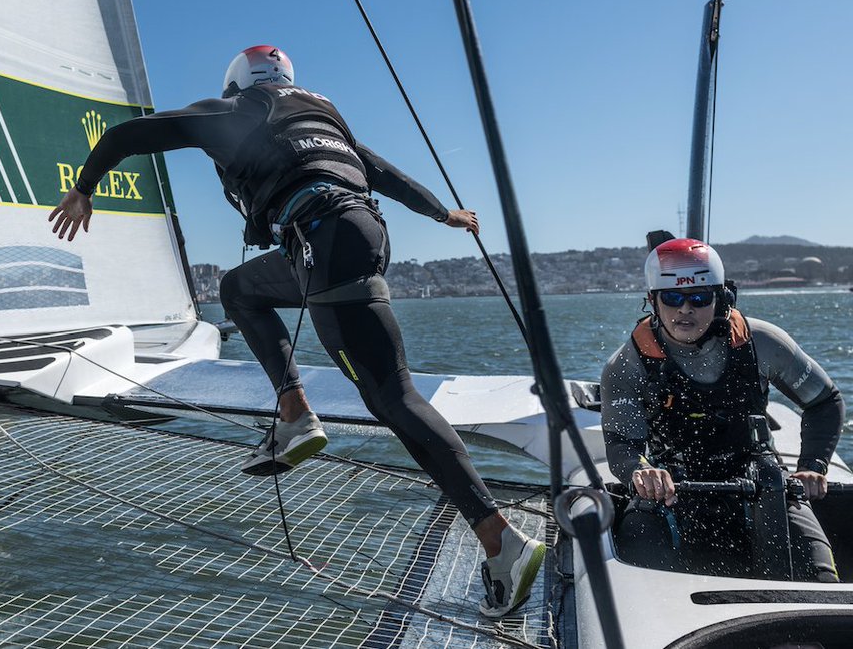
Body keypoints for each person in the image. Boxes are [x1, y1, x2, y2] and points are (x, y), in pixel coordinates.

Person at [48, 45, 545, 617]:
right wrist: (443, 215)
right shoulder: (320, 117)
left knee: (394, 397)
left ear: (236, 85)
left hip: (323, 239)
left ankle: (500, 540)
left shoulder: (235, 110)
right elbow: (386, 175)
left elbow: (127, 135)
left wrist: (85, 186)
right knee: (239, 290)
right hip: (361, 235)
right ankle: (294, 414)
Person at [601, 238, 843, 582]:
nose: (685, 309)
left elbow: (825, 401)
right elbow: (622, 446)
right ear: (653, 301)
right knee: (637, 571)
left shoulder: (763, 342)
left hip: (764, 485)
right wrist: (643, 473)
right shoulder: (627, 365)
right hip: (673, 492)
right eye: (672, 298)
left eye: (699, 298)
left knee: (821, 582)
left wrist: (812, 466)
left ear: (721, 298)